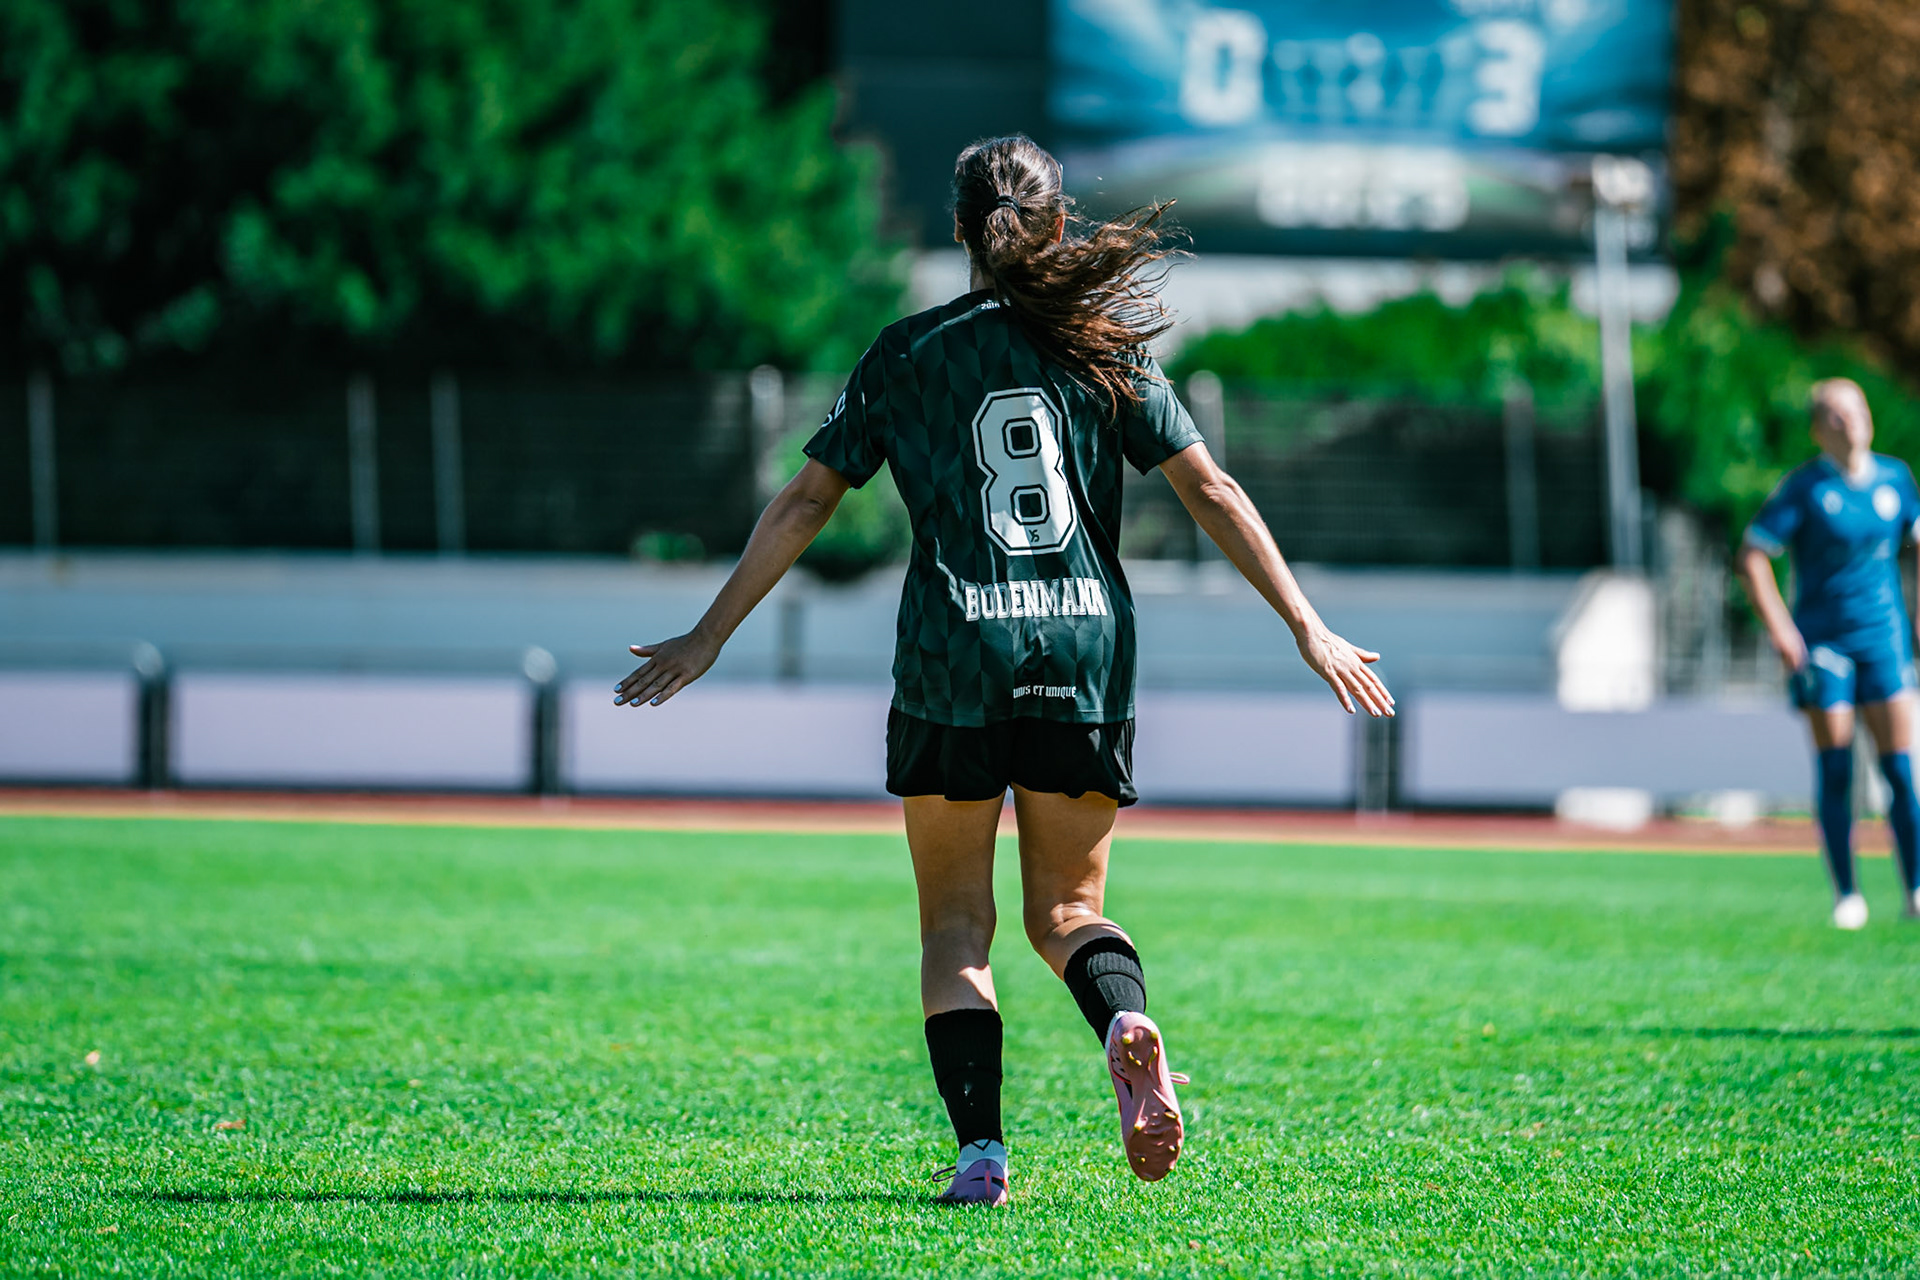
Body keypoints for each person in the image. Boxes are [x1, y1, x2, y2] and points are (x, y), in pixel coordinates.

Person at [614, 135, 1393, 1205]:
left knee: (956, 927)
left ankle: (982, 1154)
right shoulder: (1104, 346)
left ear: (955, 233)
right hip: (1083, 647)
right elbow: (1211, 489)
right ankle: (1121, 1017)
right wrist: (1308, 622)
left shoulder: (906, 352)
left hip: (953, 653)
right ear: (1060, 225)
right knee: (1068, 910)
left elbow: (805, 501)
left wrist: (709, 633)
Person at [1738, 378, 1920, 929]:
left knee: (1901, 771)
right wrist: (1782, 630)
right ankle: (1847, 893)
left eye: (1856, 409)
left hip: (1884, 639)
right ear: (1819, 429)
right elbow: (1752, 554)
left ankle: (1915, 888)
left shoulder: (1896, 479)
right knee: (1837, 767)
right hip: (1824, 644)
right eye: (1835, 414)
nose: (1850, 420)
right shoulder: (1805, 488)